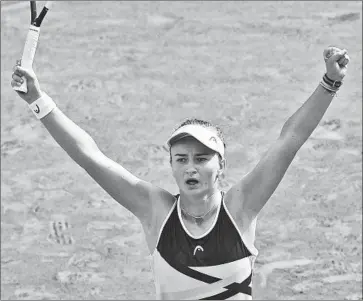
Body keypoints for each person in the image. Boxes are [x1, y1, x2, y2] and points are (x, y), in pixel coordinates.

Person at [11, 46, 350, 300]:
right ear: (171, 164)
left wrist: (329, 83)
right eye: (182, 158)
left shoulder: (240, 208)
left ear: (220, 165)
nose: (191, 167)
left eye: (202, 158)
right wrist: (38, 101)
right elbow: (91, 157)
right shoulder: (155, 211)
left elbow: (289, 141)